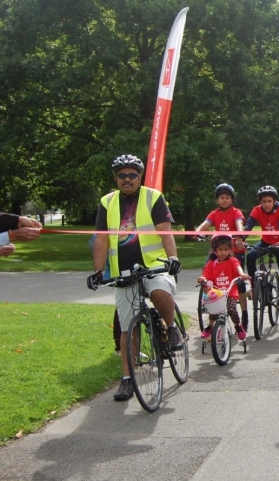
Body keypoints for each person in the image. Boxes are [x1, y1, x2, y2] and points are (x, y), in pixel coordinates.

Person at [87, 154, 183, 402]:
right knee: (128, 328)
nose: (127, 179)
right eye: (122, 175)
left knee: (160, 293)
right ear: (115, 178)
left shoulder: (153, 197)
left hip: (155, 266)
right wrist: (98, 271)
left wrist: (172, 258)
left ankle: (171, 329)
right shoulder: (107, 202)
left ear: (139, 177)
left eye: (132, 175)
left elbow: (165, 232)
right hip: (123, 272)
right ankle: (128, 379)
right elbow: (101, 238)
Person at [195, 183, 249, 324]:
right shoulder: (214, 213)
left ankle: (244, 313)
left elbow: (239, 225)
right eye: (221, 198)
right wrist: (198, 232)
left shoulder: (236, 212)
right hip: (219, 249)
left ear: (232, 200)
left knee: (239, 282)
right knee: (207, 271)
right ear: (217, 200)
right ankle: (210, 300)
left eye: (227, 198)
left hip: (234, 250)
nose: (224, 200)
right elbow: (205, 224)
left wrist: (239, 237)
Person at [244, 185, 279, 302]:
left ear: (274, 201)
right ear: (260, 202)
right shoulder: (257, 210)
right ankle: (255, 287)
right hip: (265, 242)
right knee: (250, 256)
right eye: (264, 201)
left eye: (269, 201)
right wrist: (241, 239)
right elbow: (249, 226)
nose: (266, 204)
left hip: (278, 243)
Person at [197, 234, 250, 340]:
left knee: (231, 309)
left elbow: (237, 267)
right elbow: (206, 275)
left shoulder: (232, 261)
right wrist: (202, 279)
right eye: (220, 249)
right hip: (217, 292)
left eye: (226, 249)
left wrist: (241, 274)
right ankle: (210, 327)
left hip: (230, 291)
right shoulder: (212, 263)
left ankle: (238, 326)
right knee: (213, 310)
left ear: (230, 250)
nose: (223, 252)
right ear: (215, 250)